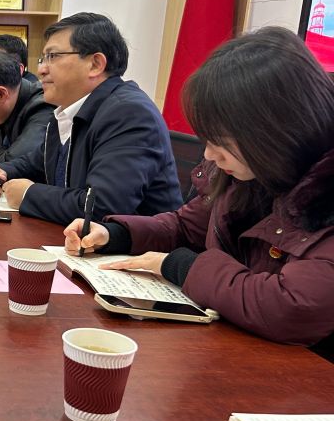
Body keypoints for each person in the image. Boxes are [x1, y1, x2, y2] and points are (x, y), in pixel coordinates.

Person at [64, 26, 334, 352]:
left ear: (276, 130)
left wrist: (180, 266)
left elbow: (292, 308)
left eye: (221, 141)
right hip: (229, 349)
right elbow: (186, 226)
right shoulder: (252, 172)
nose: (208, 154)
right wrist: (116, 235)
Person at [0, 12, 182, 224]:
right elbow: (36, 163)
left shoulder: (129, 113)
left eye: (53, 56)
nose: (41, 69)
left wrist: (29, 194)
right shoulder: (67, 111)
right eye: (43, 58)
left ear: (95, 64)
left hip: (131, 244)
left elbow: (102, 207)